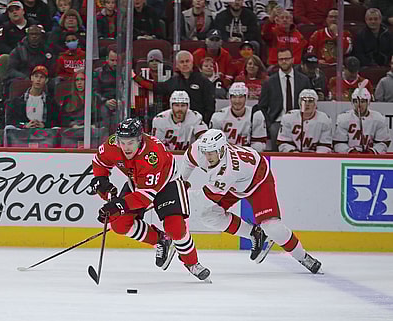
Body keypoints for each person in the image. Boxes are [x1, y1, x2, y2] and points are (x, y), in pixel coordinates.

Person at [180, 129, 323, 274]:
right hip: (235, 184)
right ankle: (254, 233)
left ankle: (303, 257)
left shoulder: (228, 170)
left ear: (222, 149)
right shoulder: (198, 150)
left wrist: (178, 197)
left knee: (272, 228)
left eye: (211, 152)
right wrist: (181, 183)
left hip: (258, 181)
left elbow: (205, 199)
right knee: (209, 217)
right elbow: (187, 161)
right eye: (205, 151)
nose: (207, 156)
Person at [91, 118, 212, 281]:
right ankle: (160, 240)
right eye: (123, 142)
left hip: (167, 183)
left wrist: (117, 205)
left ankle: (192, 263)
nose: (126, 147)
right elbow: (100, 161)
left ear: (140, 140)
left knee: (175, 228)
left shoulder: (152, 155)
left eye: (131, 142)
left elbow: (144, 197)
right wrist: (101, 180)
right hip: (138, 182)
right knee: (119, 224)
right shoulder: (113, 144)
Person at [134, 50, 215, 125]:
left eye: (187, 61)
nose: (185, 64)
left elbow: (210, 106)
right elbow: (156, 87)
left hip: (197, 124)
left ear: (192, 63)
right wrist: (135, 77)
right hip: (177, 126)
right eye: (181, 62)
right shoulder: (173, 81)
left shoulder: (204, 82)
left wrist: (203, 124)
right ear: (177, 65)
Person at [258, 48, 312, 151]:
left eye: (287, 59)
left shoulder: (304, 80)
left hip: (300, 119)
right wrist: (269, 124)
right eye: (281, 59)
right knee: (275, 130)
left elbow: (310, 101)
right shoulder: (269, 82)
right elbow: (262, 106)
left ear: (293, 59)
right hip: (278, 120)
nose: (284, 61)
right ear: (278, 61)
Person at [210, 82, 267, 151]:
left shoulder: (256, 115)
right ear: (230, 98)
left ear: (246, 98)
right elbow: (213, 143)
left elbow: (259, 143)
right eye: (234, 97)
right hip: (226, 154)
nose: (237, 101)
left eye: (240, 97)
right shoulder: (218, 116)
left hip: (248, 155)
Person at [333, 87, 390, 154]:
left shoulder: (378, 119)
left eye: (362, 101)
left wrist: (373, 151)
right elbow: (338, 143)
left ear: (368, 102)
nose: (359, 105)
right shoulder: (343, 119)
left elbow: (383, 142)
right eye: (355, 101)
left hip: (372, 158)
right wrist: (350, 151)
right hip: (349, 158)